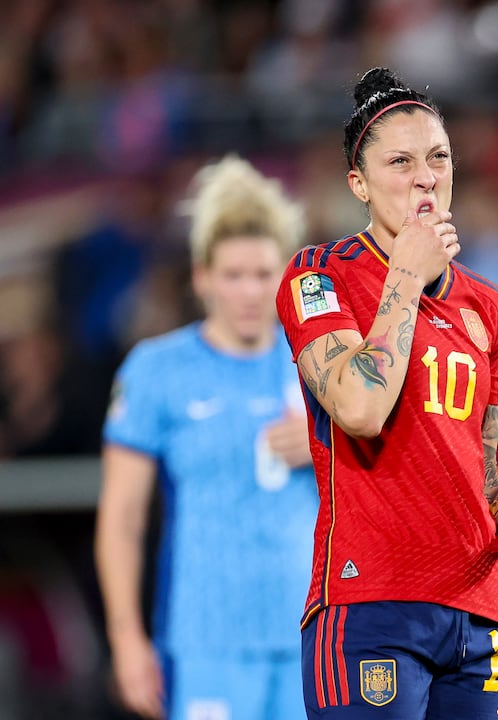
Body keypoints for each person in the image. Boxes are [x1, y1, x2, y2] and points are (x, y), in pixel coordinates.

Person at [274, 67, 498, 720]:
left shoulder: (490, 308)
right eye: (400, 161)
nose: (425, 176)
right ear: (359, 184)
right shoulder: (320, 276)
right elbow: (360, 410)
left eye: (438, 157)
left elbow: (487, 478)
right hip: (371, 604)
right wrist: (405, 277)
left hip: (475, 615)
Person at [96, 155, 318, 719]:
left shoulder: (324, 367)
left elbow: (389, 479)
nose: (249, 292)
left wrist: (328, 443)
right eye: (233, 275)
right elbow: (122, 517)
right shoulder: (157, 370)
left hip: (314, 633)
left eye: (263, 274)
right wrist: (126, 639)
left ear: (286, 276)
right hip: (206, 638)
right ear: (202, 278)